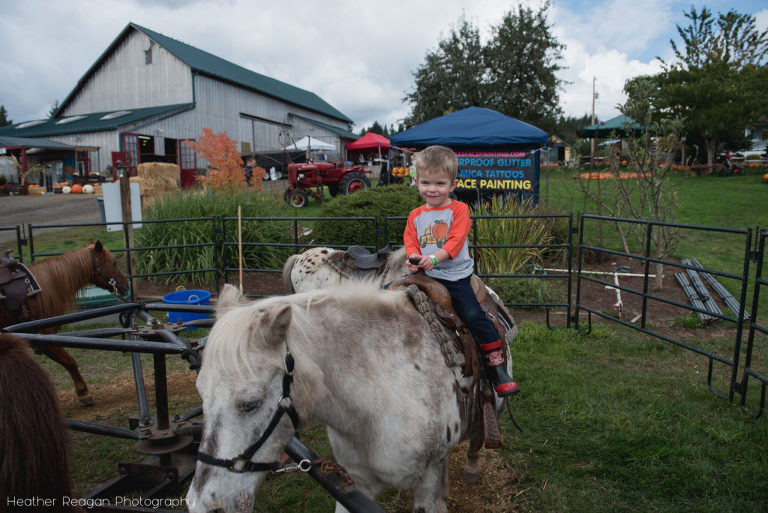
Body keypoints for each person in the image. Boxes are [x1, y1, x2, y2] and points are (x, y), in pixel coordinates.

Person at [404, 145, 519, 397]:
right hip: (425, 273)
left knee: (472, 314)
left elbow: (455, 241)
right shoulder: (415, 215)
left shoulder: (459, 210)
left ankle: (496, 367)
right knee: (392, 296)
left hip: (453, 276)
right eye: (425, 182)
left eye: (439, 183)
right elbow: (411, 240)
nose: (431, 189)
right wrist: (413, 259)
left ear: (453, 185)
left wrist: (434, 259)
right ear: (416, 182)